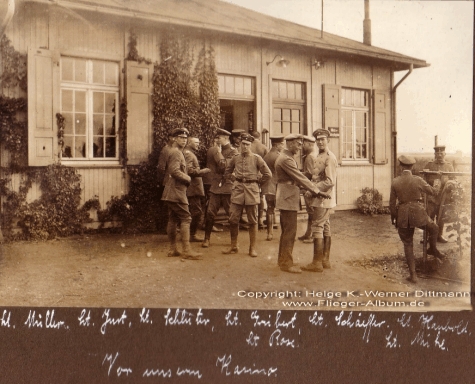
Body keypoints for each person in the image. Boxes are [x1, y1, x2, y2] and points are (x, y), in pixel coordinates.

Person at [274, 134, 330, 273]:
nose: (300, 147)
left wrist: (306, 174)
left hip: (287, 196)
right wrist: (317, 191)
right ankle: (286, 264)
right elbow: (298, 178)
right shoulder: (286, 159)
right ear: (290, 143)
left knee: (287, 230)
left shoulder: (285, 157)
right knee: (290, 231)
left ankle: (282, 260)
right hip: (288, 197)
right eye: (298, 144)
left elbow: (297, 174)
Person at [389, 155, 445, 283]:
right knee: (434, 228)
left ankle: (413, 275)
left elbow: (392, 204)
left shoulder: (395, 181)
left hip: (402, 215)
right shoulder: (418, 180)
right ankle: (433, 248)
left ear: (400, 166)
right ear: (412, 167)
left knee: (408, 244)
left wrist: (394, 218)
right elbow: (434, 192)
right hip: (418, 213)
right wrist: (438, 180)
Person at [222, 133, 272, 257]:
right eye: (243, 144)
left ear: (251, 145)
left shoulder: (257, 158)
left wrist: (257, 183)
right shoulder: (236, 158)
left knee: (252, 220)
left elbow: (268, 174)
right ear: (240, 144)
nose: (245, 147)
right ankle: (234, 246)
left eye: (247, 145)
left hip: (252, 191)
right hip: (238, 190)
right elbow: (227, 172)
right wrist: (234, 179)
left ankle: (252, 248)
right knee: (233, 219)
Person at [161, 128, 202, 260]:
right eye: (180, 138)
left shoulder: (173, 151)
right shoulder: (177, 153)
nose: (184, 140)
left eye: (185, 138)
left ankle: (173, 249)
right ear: (174, 139)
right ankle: (187, 250)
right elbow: (174, 171)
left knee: (173, 219)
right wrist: (188, 178)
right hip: (177, 191)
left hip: (171, 191)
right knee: (186, 218)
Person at [302, 129, 337, 272]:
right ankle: (325, 261)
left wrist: (312, 190)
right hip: (321, 197)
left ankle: (316, 263)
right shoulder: (319, 155)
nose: (320, 142)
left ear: (328, 140)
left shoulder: (330, 157)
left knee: (317, 227)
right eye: (318, 140)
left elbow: (329, 181)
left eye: (323, 139)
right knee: (325, 226)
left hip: (323, 197)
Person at [202, 128, 239, 248]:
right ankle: (206, 239)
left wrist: (218, 153)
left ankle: (234, 242)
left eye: (219, 138)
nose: (217, 140)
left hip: (227, 186)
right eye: (216, 138)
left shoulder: (234, 152)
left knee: (231, 214)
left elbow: (224, 166)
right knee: (210, 213)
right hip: (216, 186)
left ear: (226, 138)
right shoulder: (216, 150)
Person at [423, 144, 455, 243]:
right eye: (437, 153)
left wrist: (449, 185)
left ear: (445, 153)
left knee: (441, 217)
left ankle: (439, 236)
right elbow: (424, 180)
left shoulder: (449, 166)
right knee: (430, 217)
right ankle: (429, 237)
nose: (440, 155)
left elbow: (453, 180)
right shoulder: (429, 165)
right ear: (435, 154)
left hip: (443, 196)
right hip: (432, 196)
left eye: (441, 153)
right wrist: (435, 179)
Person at [183, 137, 211, 242]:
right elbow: (189, 170)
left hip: (192, 188)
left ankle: (189, 234)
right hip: (193, 188)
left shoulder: (188, 152)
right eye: (196, 143)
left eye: (199, 143)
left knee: (193, 211)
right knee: (197, 212)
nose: (198, 145)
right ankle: (191, 235)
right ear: (189, 143)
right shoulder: (189, 154)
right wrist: (203, 171)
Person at [262, 135, 285, 241]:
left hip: (268, 186)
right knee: (283, 209)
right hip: (277, 185)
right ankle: (284, 233)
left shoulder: (266, 156)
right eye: (282, 144)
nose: (283, 146)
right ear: (277, 145)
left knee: (270, 209)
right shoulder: (279, 156)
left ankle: (269, 233)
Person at [298, 135, 318, 243]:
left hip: (310, 189)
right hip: (312, 189)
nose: (302, 146)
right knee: (311, 212)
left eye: (304, 144)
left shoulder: (310, 157)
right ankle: (308, 234)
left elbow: (310, 174)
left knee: (311, 213)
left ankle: (312, 235)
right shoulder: (313, 155)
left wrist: (299, 174)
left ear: (310, 145)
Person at [250, 130, 269, 229]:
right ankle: (260, 219)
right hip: (261, 175)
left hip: (250, 175)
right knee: (261, 197)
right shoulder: (264, 147)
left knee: (250, 198)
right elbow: (267, 163)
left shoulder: (249, 146)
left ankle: (252, 220)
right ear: (259, 137)